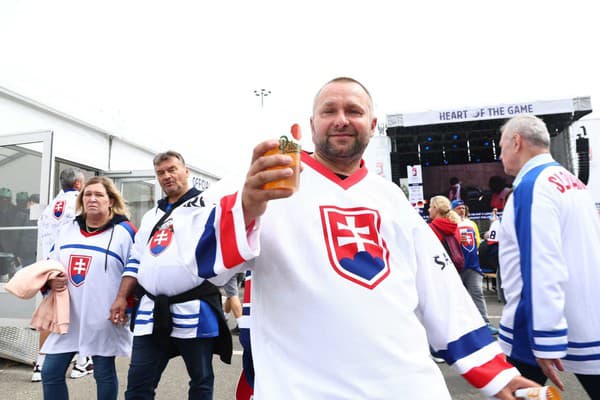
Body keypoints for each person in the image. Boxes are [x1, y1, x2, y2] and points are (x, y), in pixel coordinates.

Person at [191, 77, 538, 398]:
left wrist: (497, 374)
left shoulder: (391, 199)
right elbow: (203, 264)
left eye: (354, 111)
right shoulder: (268, 186)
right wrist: (247, 207)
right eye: (329, 111)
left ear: (372, 125)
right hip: (304, 388)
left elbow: (444, 294)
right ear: (312, 125)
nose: (341, 119)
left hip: (405, 386)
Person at [109, 150, 233, 400]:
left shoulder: (208, 207)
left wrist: (231, 293)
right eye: (161, 173)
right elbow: (136, 258)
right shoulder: (151, 216)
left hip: (194, 310)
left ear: (186, 171)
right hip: (150, 311)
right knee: (138, 384)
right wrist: (122, 297)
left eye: (172, 169)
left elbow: (224, 251)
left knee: (201, 381)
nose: (166, 176)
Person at [497, 114, 600, 398]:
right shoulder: (571, 182)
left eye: (502, 146)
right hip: (584, 314)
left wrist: (545, 339)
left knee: (515, 391)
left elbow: (541, 263)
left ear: (516, 142)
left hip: (536, 321)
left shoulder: (532, 186)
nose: (500, 154)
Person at [40, 176, 136, 400]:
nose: (92, 199)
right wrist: (51, 280)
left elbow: (136, 270)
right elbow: (51, 263)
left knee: (103, 373)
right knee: (50, 371)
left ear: (111, 200)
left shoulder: (125, 231)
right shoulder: (68, 229)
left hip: (102, 316)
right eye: (88, 194)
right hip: (68, 316)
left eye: (99, 195)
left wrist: (127, 305)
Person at [33, 168, 91, 382]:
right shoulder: (82, 202)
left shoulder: (50, 207)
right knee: (80, 312)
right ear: (78, 184)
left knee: (50, 315)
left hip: (49, 266)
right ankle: (82, 362)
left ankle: (39, 365)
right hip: (73, 265)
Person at [451, 199, 498, 335]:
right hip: (458, 266)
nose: (462, 210)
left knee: (477, 293)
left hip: (473, 265)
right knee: (459, 297)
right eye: (458, 208)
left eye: (463, 208)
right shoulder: (451, 224)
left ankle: (485, 323)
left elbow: (476, 242)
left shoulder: (471, 224)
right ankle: (462, 326)